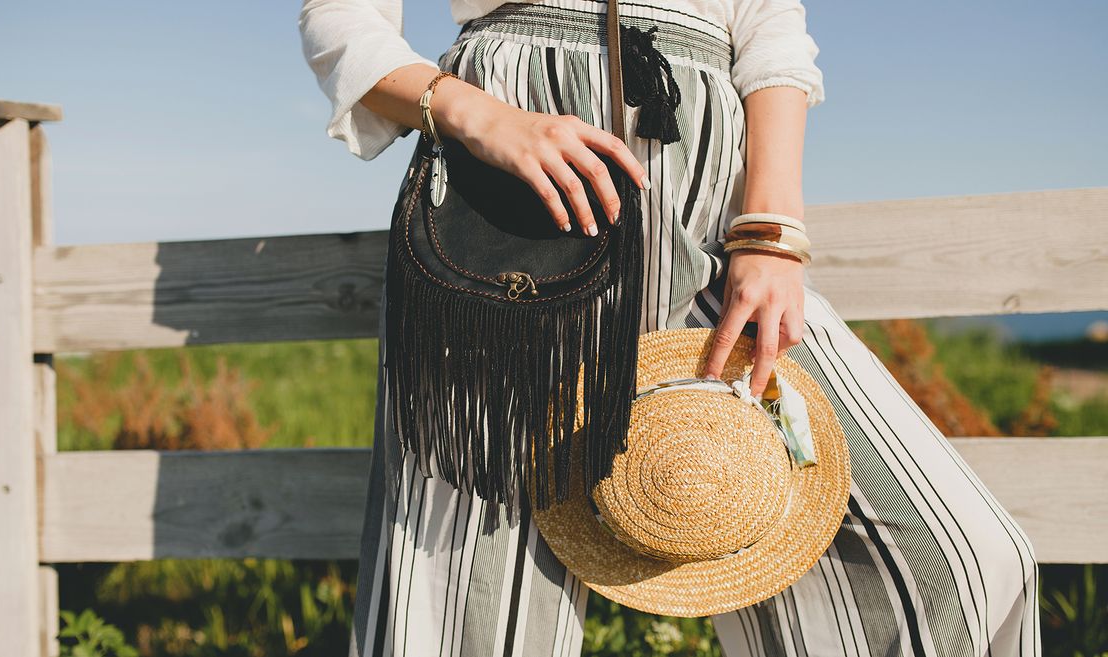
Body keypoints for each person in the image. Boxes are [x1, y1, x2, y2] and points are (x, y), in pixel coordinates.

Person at [297, 1, 1042, 655]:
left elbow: (769, 22)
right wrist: (478, 114)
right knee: (463, 604)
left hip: (718, 215)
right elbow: (340, 17)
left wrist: (772, 228)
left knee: (961, 552)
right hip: (513, 202)